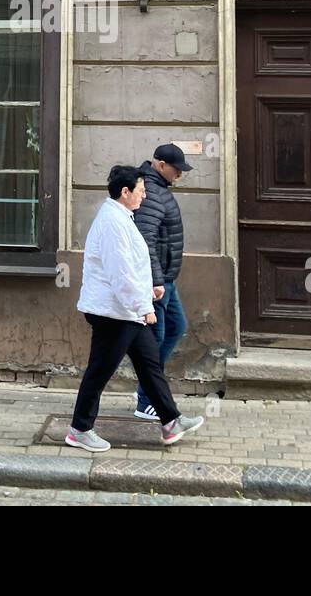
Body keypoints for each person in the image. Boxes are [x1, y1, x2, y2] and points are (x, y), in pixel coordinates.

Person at [65, 165, 204, 453]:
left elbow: (132, 267)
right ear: (125, 192)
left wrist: (149, 289)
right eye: (140, 190)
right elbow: (121, 273)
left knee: (150, 365)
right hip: (113, 313)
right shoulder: (113, 223)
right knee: (100, 371)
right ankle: (79, 429)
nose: (144, 195)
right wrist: (144, 307)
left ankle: (170, 422)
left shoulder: (122, 217)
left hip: (124, 310)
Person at [132, 143, 192, 421]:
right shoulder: (151, 193)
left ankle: (145, 389)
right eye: (176, 169)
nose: (178, 175)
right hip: (157, 283)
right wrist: (155, 281)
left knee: (176, 327)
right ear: (160, 164)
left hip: (166, 278)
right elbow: (147, 241)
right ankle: (147, 401)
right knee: (154, 342)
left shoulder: (157, 190)